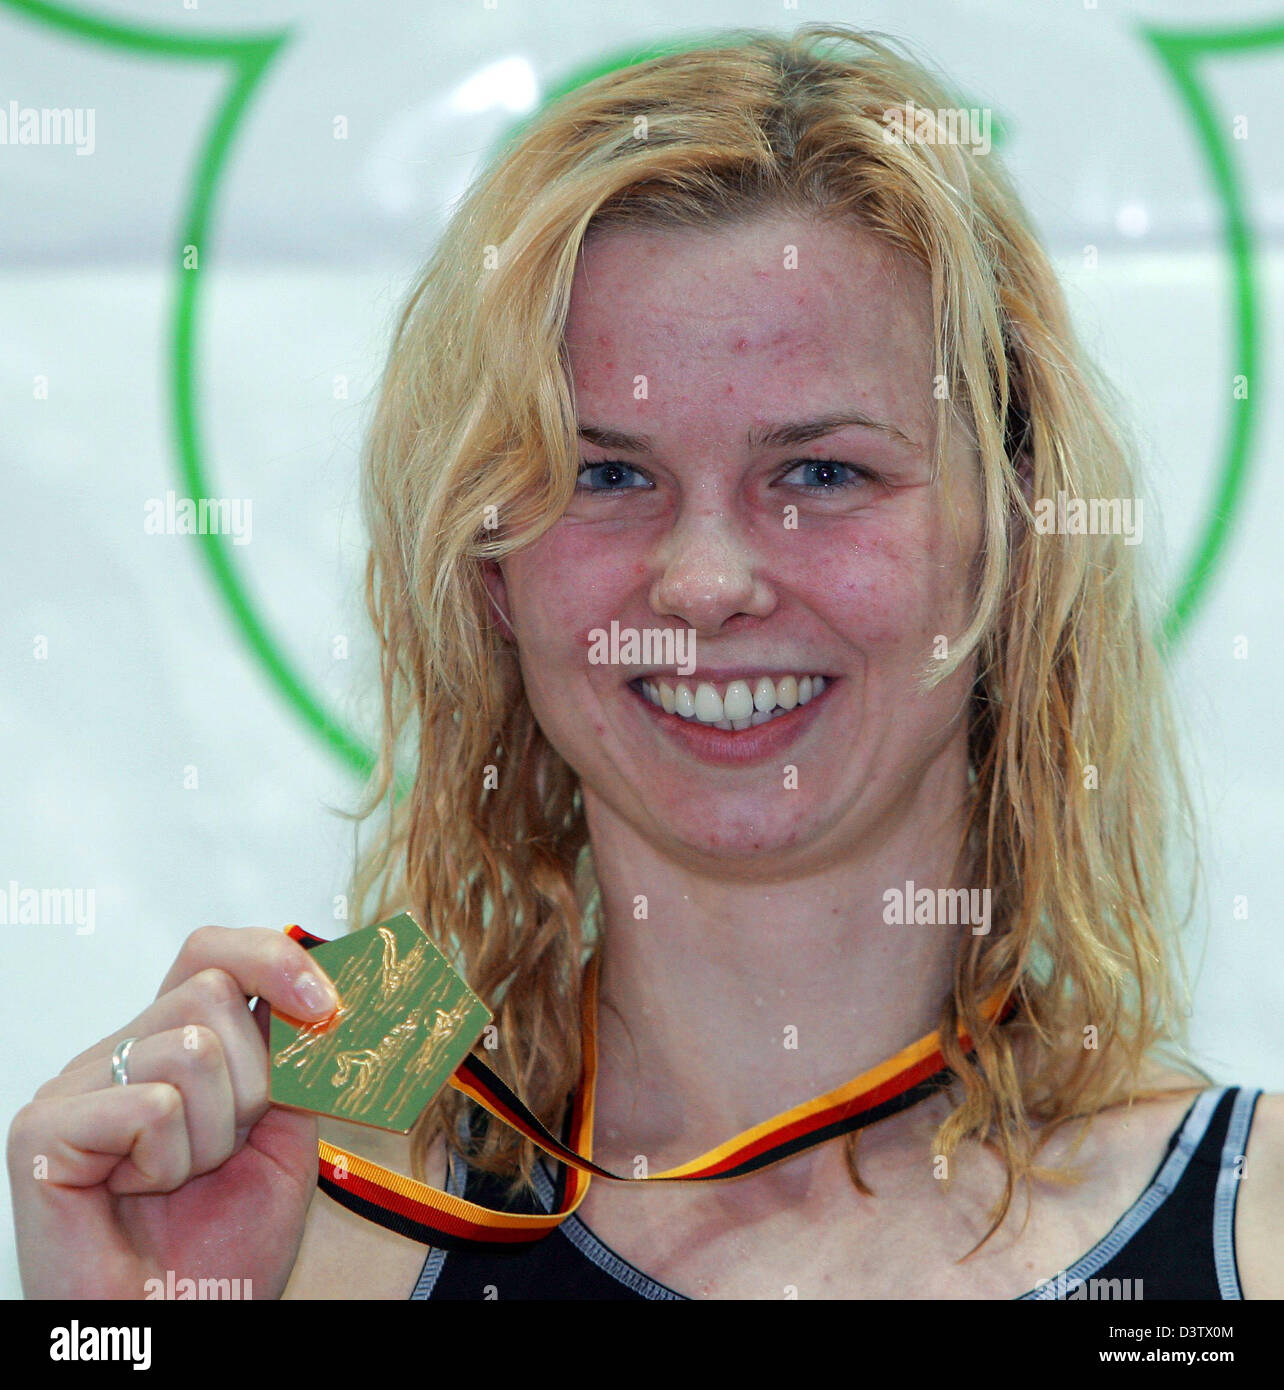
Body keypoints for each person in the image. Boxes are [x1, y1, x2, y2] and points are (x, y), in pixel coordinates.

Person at [8, 23, 1281, 1301]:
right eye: (608, 475)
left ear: (1011, 530)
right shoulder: (310, 1201)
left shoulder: (1256, 1230)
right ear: (492, 571)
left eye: (822, 472)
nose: (707, 580)